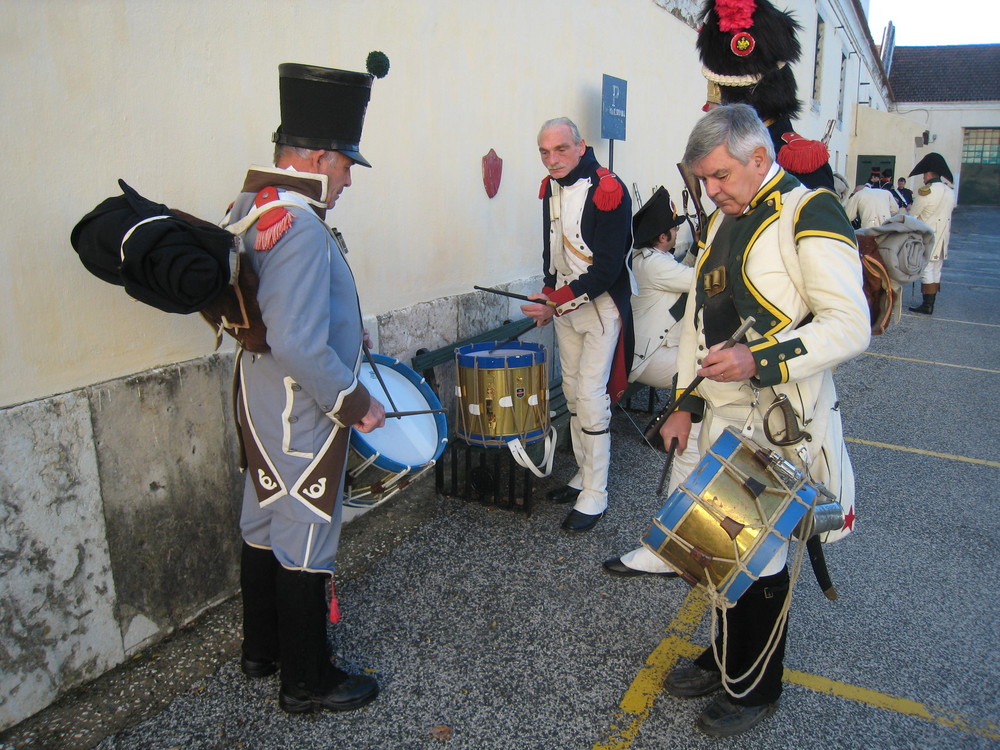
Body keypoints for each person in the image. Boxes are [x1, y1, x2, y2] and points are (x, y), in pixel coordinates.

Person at [658, 104, 870, 737]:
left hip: (784, 422)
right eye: (703, 179)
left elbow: (849, 326)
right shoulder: (727, 218)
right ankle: (727, 654)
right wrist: (685, 403)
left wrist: (761, 358)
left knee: (763, 556)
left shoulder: (809, 211)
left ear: (758, 158)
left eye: (719, 174)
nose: (710, 190)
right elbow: (701, 322)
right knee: (724, 548)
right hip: (722, 417)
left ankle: (754, 687)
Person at [229, 62, 386, 714]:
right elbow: (296, 339)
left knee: (263, 519)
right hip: (301, 411)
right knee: (306, 535)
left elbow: (279, 313)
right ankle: (307, 681)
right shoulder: (295, 220)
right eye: (347, 165)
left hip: (263, 403)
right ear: (321, 157)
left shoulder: (255, 204)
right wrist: (352, 401)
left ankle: (262, 651)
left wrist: (350, 337)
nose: (349, 179)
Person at [521, 117, 633, 533]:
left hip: (600, 306)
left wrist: (555, 301)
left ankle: (596, 492)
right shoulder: (550, 187)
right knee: (571, 391)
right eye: (544, 152)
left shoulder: (608, 188)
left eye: (560, 149)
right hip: (566, 306)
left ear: (581, 146)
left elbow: (606, 269)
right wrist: (548, 291)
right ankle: (583, 473)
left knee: (589, 395)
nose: (552, 160)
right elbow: (552, 249)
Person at [602, 187, 699, 577]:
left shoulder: (653, 258)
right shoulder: (654, 264)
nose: (676, 233)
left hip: (656, 351)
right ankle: (671, 425)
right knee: (697, 376)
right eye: (673, 229)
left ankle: (671, 423)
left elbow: (688, 268)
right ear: (662, 237)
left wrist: (698, 246)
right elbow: (699, 280)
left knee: (698, 369)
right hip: (647, 360)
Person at [907, 152, 956, 315]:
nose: (923, 178)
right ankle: (930, 303)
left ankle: (927, 306)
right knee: (937, 269)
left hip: (928, 237)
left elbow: (913, 216)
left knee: (927, 269)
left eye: (924, 174)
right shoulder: (950, 191)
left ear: (929, 173)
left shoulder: (926, 192)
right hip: (943, 238)